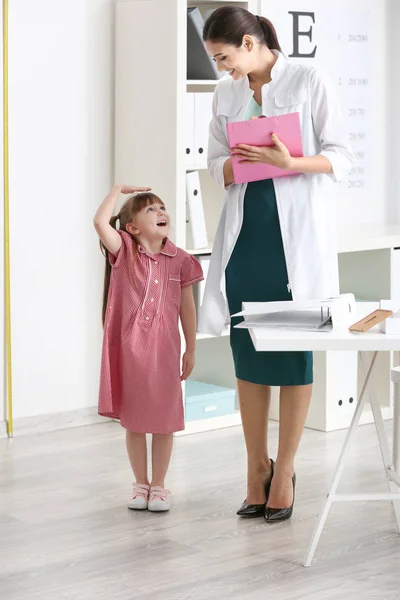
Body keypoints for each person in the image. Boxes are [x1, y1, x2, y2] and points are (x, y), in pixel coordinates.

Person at [199, 6, 353, 522]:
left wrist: (290, 163)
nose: (223, 70)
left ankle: (285, 468)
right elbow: (212, 160)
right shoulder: (226, 94)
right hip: (247, 236)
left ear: (248, 42)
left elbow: (342, 156)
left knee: (293, 356)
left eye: (224, 57)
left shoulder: (310, 78)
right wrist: (235, 164)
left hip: (295, 240)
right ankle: (254, 467)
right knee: (249, 355)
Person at [94, 185, 203, 512]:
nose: (160, 212)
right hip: (131, 354)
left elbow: (187, 309)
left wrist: (191, 349)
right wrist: (116, 190)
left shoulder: (181, 260)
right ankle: (140, 485)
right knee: (136, 421)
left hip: (166, 353)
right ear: (132, 227)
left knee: (164, 421)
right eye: (150, 210)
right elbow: (100, 223)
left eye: (162, 207)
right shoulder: (124, 251)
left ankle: (159, 487)